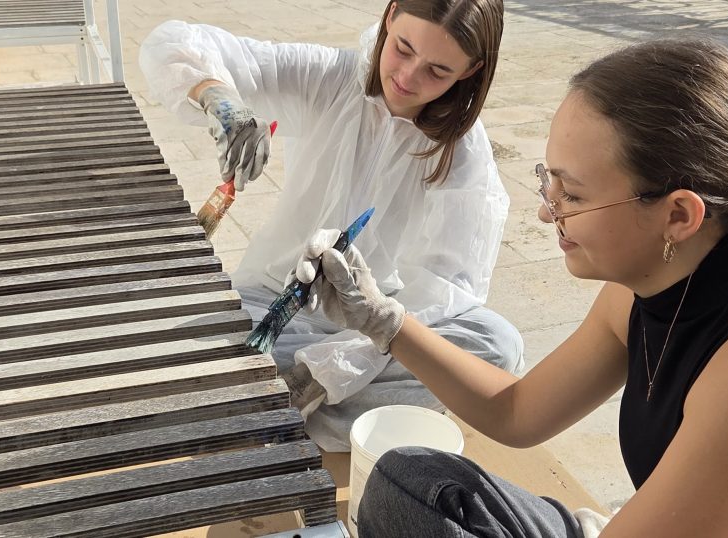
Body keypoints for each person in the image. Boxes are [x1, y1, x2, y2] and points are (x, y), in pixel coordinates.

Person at [294, 37, 728, 536]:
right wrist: (384, 320)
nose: (546, 211)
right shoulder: (644, 289)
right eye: (549, 182)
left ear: (679, 215)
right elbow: (517, 412)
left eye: (573, 195)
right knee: (407, 483)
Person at [137, 0, 522, 451]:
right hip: (271, 304)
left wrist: (351, 346)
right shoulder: (329, 77)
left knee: (496, 345)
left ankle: (282, 400)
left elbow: (450, 289)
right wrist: (219, 98)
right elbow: (176, 43)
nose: (407, 77)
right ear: (390, 16)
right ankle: (316, 410)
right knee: (161, 341)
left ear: (470, 70)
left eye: (438, 71)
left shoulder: (463, 150)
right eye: (402, 48)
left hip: (373, 332)